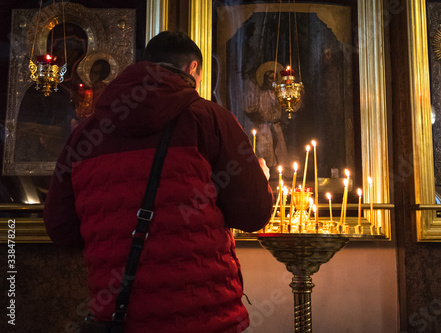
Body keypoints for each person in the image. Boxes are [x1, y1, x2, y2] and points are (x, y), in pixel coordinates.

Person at [43, 31, 273, 333]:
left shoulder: (84, 135)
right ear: (193, 69)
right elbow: (255, 213)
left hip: (120, 316)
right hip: (204, 316)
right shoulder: (210, 119)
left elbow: (60, 227)